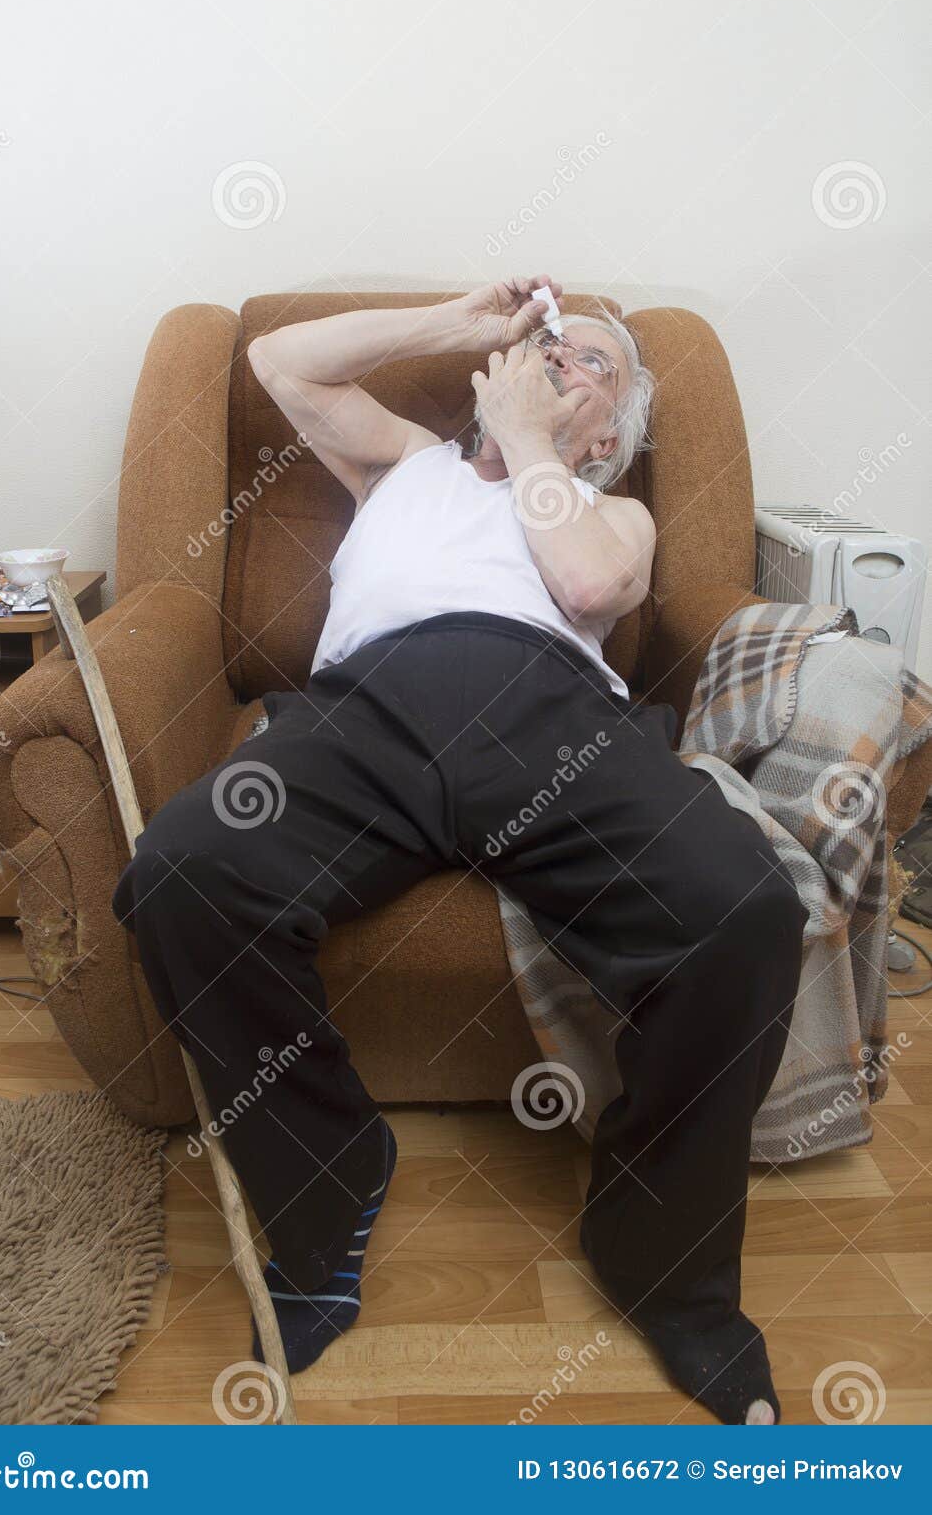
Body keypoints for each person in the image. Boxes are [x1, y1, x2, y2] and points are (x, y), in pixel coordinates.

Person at [112, 277, 808, 1425]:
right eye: (545, 346)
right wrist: (461, 328)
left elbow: (584, 584)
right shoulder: (403, 465)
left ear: (604, 438)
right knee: (185, 871)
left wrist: (532, 435)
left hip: (550, 723)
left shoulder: (608, 515)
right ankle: (329, 1186)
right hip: (360, 716)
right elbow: (282, 360)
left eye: (591, 367)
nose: (557, 361)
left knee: (740, 909)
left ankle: (665, 1270)